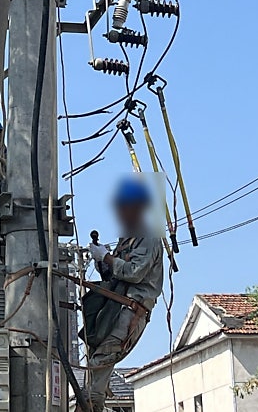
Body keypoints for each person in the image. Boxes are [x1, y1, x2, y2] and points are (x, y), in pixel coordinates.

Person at [82, 176, 164, 411]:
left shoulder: (148, 238)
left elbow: (135, 272)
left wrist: (107, 257)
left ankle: (92, 404)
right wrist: (103, 262)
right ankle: (92, 403)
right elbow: (115, 275)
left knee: (100, 360)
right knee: (95, 357)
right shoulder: (127, 239)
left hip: (131, 310)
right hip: (117, 306)